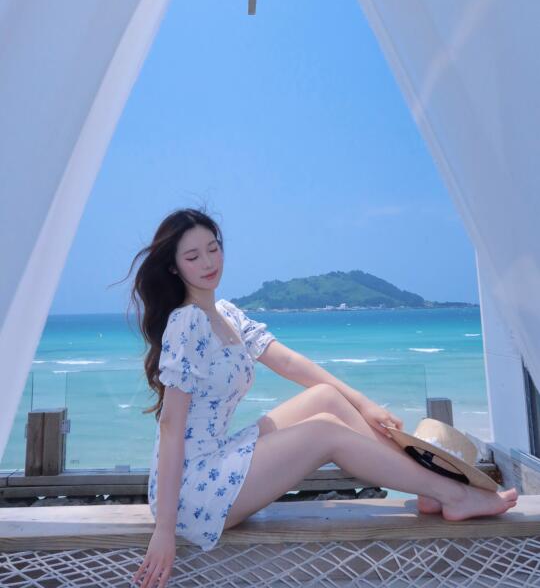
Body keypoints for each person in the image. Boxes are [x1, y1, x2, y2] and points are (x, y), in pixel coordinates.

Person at [130, 207, 518, 588]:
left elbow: (289, 362)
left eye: (213, 248)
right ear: (174, 267)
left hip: (217, 459)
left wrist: (362, 402)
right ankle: (453, 494)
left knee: (326, 398)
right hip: (189, 495)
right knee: (325, 431)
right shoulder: (187, 323)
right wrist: (164, 530)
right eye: (193, 256)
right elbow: (171, 426)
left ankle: (428, 491)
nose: (208, 262)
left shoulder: (225, 314)